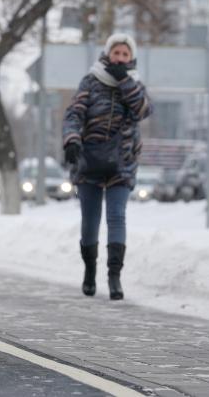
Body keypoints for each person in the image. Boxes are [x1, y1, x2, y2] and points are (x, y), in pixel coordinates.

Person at [62, 33, 152, 300]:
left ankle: (115, 277)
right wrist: (72, 141)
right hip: (89, 160)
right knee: (90, 220)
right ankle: (90, 270)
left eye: (125, 54)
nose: (120, 58)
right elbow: (74, 114)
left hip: (122, 163)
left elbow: (143, 111)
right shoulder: (91, 81)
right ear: (108, 53)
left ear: (131, 58)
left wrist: (124, 80)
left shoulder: (134, 84)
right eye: (117, 53)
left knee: (117, 216)